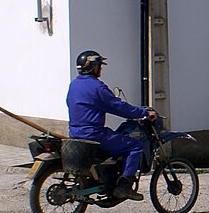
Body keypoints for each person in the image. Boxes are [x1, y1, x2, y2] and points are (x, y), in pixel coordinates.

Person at [66, 50, 157, 201]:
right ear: (93, 67)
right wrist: (144, 112)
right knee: (135, 146)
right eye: (99, 65)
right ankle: (124, 186)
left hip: (75, 133)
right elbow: (118, 107)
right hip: (94, 134)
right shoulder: (97, 87)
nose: (100, 69)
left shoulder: (74, 85)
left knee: (115, 140)